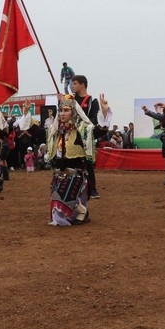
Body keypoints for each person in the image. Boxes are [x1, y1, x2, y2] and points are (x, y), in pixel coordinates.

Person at [46, 94, 111, 226]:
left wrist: (104, 113)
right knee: (57, 201)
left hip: (75, 174)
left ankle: (82, 212)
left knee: (60, 197)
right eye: (61, 110)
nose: (63, 114)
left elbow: (99, 131)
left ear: (73, 112)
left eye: (66, 110)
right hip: (59, 174)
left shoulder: (82, 129)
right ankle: (81, 212)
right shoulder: (55, 131)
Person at [71, 75, 110, 198]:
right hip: (72, 135)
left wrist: (82, 127)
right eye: (72, 83)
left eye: (75, 83)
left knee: (88, 164)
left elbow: (93, 119)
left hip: (86, 136)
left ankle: (92, 189)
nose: (73, 86)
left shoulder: (92, 101)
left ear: (82, 85)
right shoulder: (70, 99)